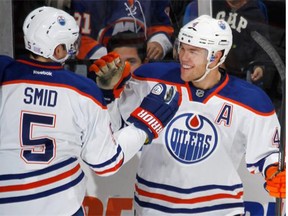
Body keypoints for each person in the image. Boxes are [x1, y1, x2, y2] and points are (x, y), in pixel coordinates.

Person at [89, 15, 285, 215]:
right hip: (153, 209)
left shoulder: (251, 101)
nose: (183, 56)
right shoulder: (150, 78)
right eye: (182, 47)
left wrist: (273, 171)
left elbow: (268, 154)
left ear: (216, 56)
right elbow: (114, 129)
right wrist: (109, 93)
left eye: (193, 51)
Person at [0, 6, 179, 215]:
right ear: (58, 51)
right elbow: (105, 163)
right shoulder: (82, 90)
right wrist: (144, 125)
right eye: (69, 44)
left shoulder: (4, 73)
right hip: (60, 206)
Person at [70, 0, 174, 61]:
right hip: (100, 72)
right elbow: (79, 39)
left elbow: (163, 26)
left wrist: (159, 42)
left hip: (142, 67)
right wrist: (108, 58)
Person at [212, 0, 273, 90]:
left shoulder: (255, 14)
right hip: (210, 68)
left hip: (238, 75)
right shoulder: (211, 5)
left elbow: (263, 46)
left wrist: (259, 67)